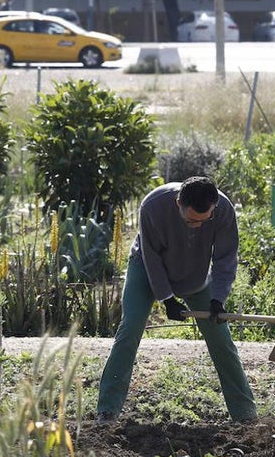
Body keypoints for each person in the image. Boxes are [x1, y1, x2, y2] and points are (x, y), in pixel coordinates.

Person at [96, 176, 257, 423]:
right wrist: (167, 298)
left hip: (196, 273)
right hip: (146, 268)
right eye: (191, 220)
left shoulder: (223, 209)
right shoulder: (152, 206)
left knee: (220, 337)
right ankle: (108, 409)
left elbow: (225, 258)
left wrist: (218, 299)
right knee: (131, 326)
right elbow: (151, 257)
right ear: (178, 203)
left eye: (205, 220)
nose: (198, 226)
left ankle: (244, 413)